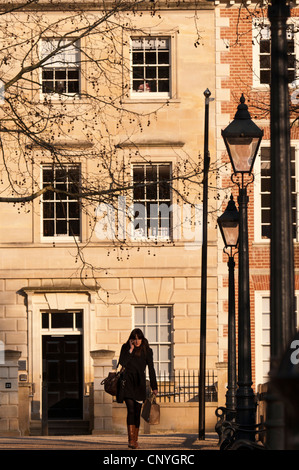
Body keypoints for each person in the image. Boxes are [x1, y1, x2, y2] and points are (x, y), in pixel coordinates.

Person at [118, 328, 158, 449]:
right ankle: (130, 440)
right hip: (128, 383)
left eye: (138, 338)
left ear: (142, 338)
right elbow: (122, 363)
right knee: (130, 410)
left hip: (140, 384)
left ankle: (135, 440)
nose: (137, 341)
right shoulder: (125, 348)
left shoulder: (147, 350)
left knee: (137, 412)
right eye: (134, 339)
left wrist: (154, 386)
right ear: (131, 339)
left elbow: (151, 369)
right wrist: (130, 350)